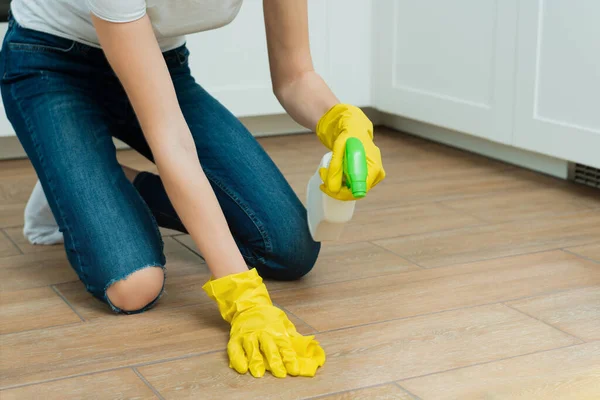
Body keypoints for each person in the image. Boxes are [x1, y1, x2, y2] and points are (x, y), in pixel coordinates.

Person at [0, 0, 385, 378]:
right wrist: (243, 299)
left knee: (291, 248)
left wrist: (341, 122)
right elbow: (171, 141)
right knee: (134, 285)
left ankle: (97, 175)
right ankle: (71, 177)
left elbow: (295, 77)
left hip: (160, 65)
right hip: (50, 65)